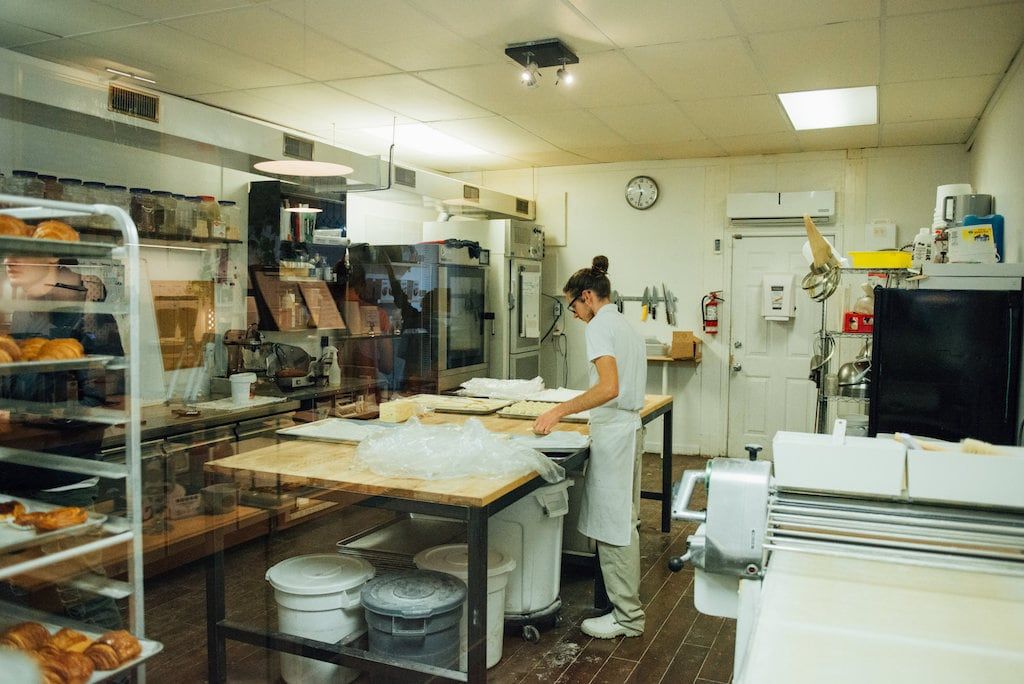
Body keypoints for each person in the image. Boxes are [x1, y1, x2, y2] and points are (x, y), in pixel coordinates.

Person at [0, 254, 124, 630]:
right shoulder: (16, 313)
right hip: (8, 481)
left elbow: (102, 403)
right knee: (10, 594)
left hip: (62, 481)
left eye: (20, 252)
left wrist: (18, 417)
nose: (10, 262)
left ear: (50, 258)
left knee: (83, 593)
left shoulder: (88, 316)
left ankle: (119, 669)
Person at [533, 255, 647, 639]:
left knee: (614, 527)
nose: (574, 315)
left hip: (616, 434)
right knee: (623, 523)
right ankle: (626, 610)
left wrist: (560, 411)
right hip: (627, 428)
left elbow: (609, 388)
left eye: (572, 306)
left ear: (587, 297)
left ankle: (627, 617)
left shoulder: (599, 325)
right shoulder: (624, 324)